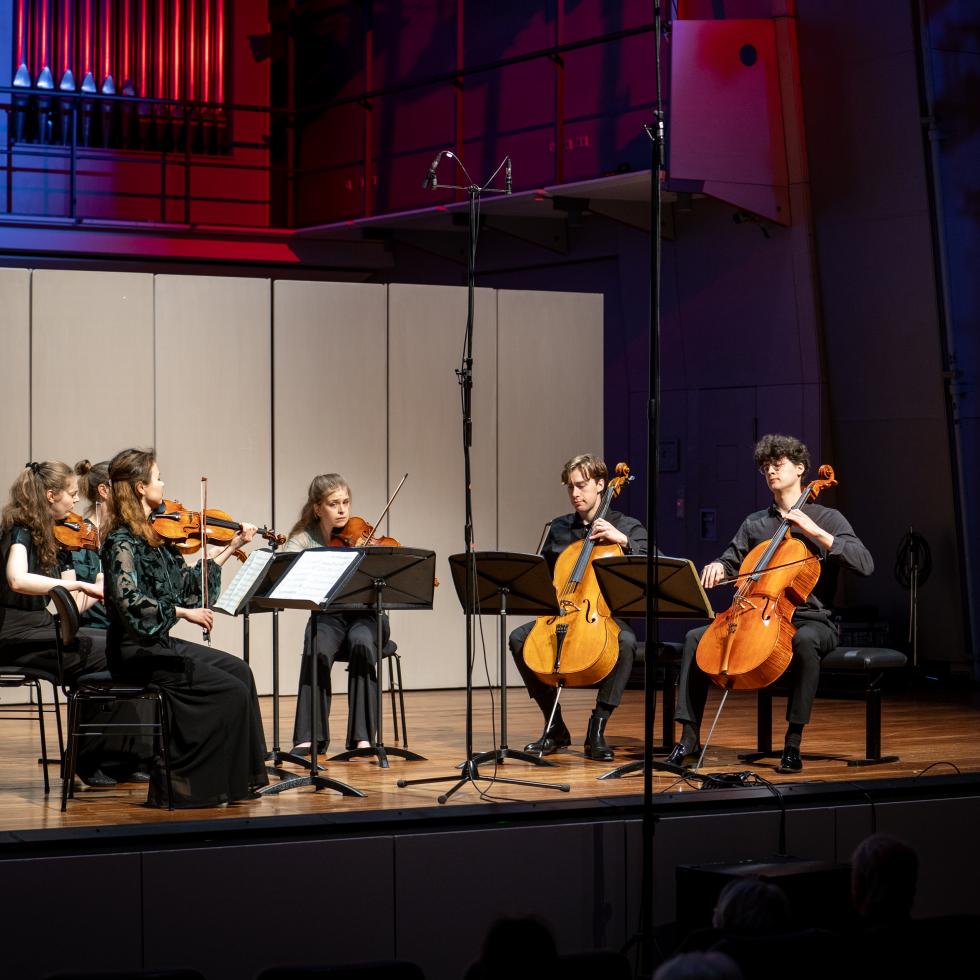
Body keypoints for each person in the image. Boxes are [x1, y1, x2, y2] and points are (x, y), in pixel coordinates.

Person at [667, 434, 873, 773]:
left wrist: (813, 530)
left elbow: (864, 563)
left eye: (777, 465)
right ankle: (688, 739)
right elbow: (731, 562)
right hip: (757, 612)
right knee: (694, 638)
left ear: (801, 469)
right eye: (766, 468)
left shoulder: (827, 517)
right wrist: (719, 565)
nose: (770, 472)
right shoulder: (756, 523)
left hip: (812, 619)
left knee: (804, 641)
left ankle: (792, 743)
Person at [100, 448, 269, 807]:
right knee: (228, 690)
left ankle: (245, 779)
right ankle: (191, 787)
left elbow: (188, 588)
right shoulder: (120, 542)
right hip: (134, 651)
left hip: (156, 644)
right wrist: (180, 612)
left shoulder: (157, 538)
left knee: (241, 672)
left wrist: (231, 547)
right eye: (158, 477)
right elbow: (129, 604)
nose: (164, 483)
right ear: (141, 487)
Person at [509, 453, 647, 761]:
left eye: (582, 486)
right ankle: (555, 726)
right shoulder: (559, 528)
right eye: (570, 487)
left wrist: (622, 540)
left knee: (625, 643)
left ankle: (597, 727)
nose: (575, 493)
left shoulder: (627, 525)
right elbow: (542, 576)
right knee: (519, 638)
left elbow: (655, 560)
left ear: (601, 485)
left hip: (603, 616)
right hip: (562, 612)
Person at [1, 461, 121, 785]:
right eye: (70, 494)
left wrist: (98, 588)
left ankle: (101, 756)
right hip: (14, 638)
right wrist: (77, 585)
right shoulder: (20, 530)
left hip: (38, 628)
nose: (74, 501)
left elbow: (73, 609)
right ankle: (86, 759)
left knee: (111, 643)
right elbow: (16, 578)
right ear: (50, 495)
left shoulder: (48, 536)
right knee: (108, 652)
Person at [284, 473, 388, 757]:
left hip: (367, 614)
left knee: (362, 643)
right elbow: (285, 566)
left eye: (346, 502)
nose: (342, 510)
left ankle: (362, 737)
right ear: (318, 508)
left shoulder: (361, 536)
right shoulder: (305, 539)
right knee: (316, 645)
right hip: (329, 615)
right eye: (334, 504)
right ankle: (309, 736)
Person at [70, 458, 112, 630]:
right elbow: (73, 605)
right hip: (94, 631)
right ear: (104, 490)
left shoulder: (127, 533)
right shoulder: (78, 538)